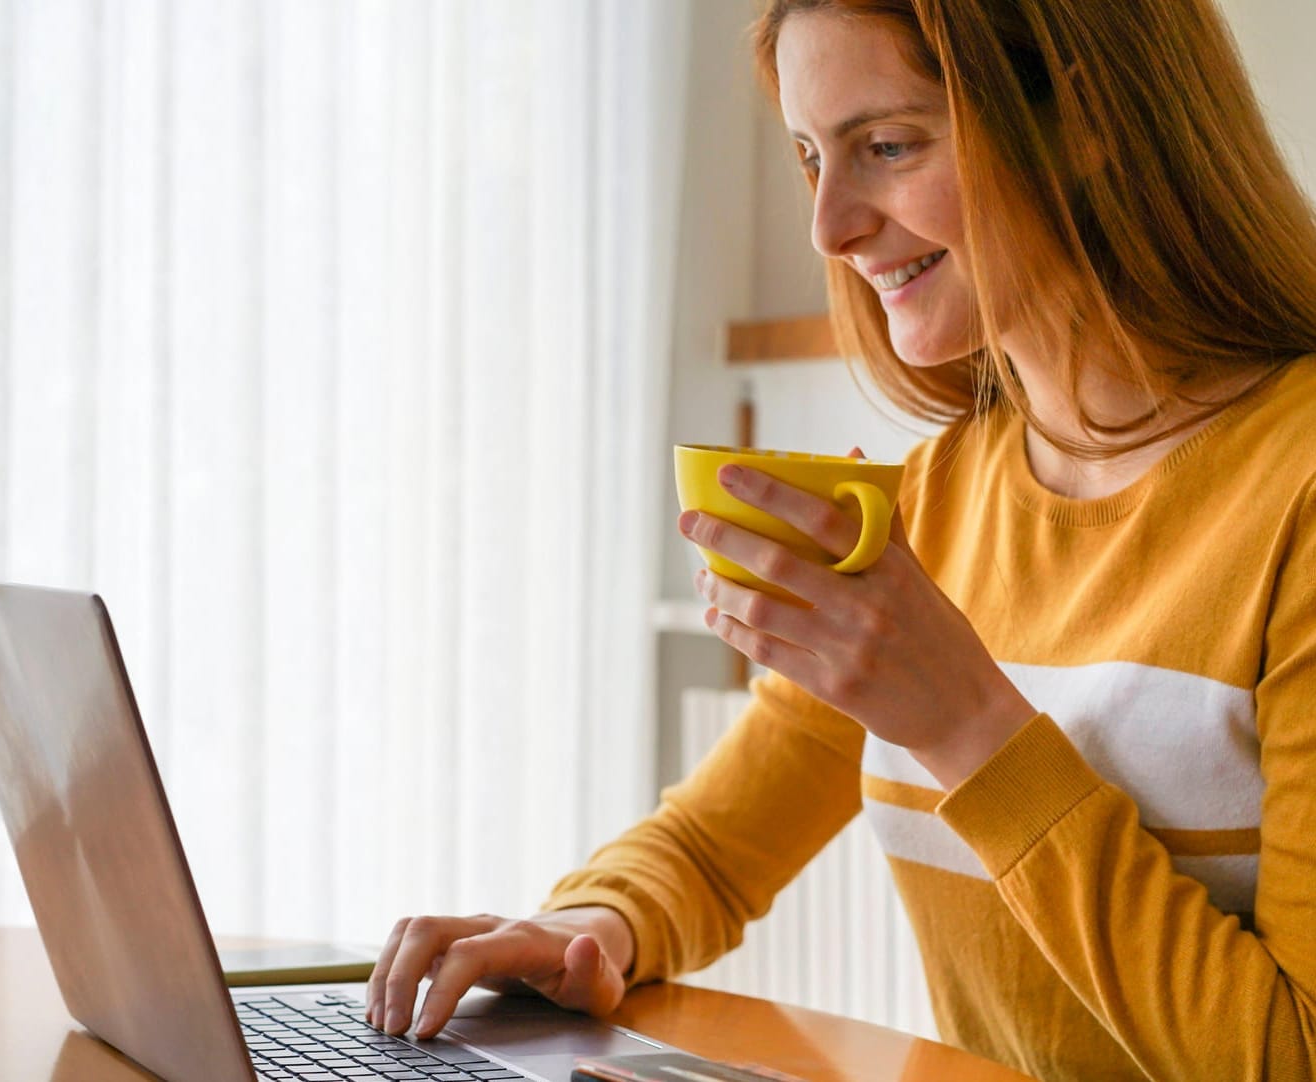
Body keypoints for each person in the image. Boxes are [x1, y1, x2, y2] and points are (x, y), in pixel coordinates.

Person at [366, 0, 1316, 1077]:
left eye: (889, 147)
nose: (830, 227)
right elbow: (717, 845)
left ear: (1087, 119)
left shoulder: (1298, 492)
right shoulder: (939, 497)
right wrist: (591, 925)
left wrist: (970, 724)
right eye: (813, 155)